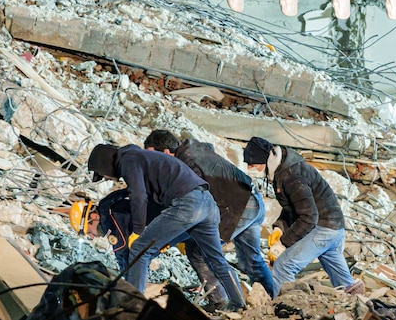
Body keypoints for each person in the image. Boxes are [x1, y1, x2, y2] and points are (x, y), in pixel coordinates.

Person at [87, 143, 246, 309]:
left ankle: (132, 307)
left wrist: (138, 231)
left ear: (103, 163)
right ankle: (239, 304)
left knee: (139, 250)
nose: (104, 178)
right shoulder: (141, 157)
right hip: (208, 203)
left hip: (187, 203)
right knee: (216, 260)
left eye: (101, 174)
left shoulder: (128, 160)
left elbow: (139, 197)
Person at [143, 130, 275, 297]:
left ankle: (225, 301)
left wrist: (167, 237)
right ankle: (273, 297)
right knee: (252, 259)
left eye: (153, 156)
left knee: (203, 252)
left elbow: (191, 206)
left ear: (167, 152)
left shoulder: (186, 163)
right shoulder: (193, 150)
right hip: (251, 199)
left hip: (236, 208)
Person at [242, 136, 365, 297]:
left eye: (254, 164)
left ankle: (287, 308)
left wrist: (283, 243)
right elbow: (293, 207)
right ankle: (356, 302)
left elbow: (309, 217)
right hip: (334, 227)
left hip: (324, 227)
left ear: (265, 160)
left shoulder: (291, 175)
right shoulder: (284, 169)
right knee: (345, 284)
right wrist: (279, 228)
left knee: (283, 265)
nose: (253, 168)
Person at [69, 189, 231, 308]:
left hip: (178, 219)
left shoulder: (109, 219)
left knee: (139, 256)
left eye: (87, 231)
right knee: (198, 255)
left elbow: (125, 254)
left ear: (93, 217)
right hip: (193, 213)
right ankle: (222, 299)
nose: (91, 236)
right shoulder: (111, 207)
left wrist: (125, 288)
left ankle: (134, 304)